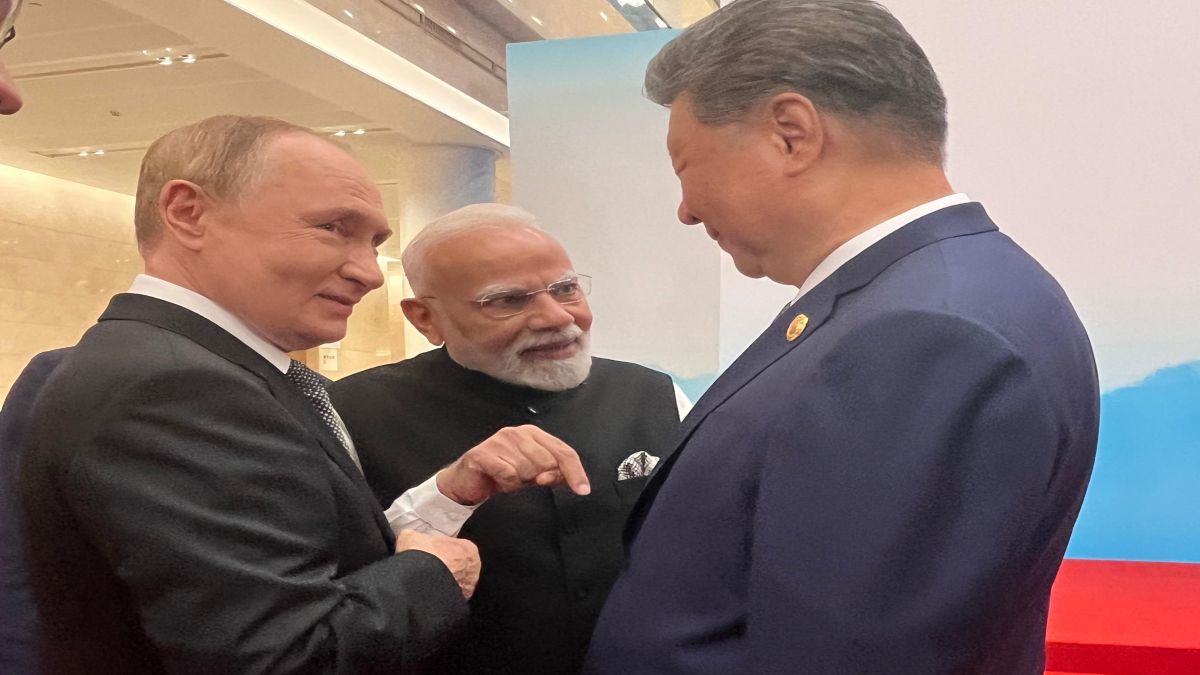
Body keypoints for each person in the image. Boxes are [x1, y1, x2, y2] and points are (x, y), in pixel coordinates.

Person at [586, 1, 1100, 673]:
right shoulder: (927, 292)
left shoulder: (922, 333)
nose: (686, 209)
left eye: (687, 166)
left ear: (792, 132)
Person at [17, 115, 589, 674]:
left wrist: (445, 498)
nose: (369, 273)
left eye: (374, 242)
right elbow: (286, 653)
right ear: (188, 213)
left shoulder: (212, 371)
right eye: (333, 228)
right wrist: (432, 574)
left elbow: (292, 570)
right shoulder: (176, 387)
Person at [329, 203, 684, 674]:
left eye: (566, 289)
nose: (556, 317)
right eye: (506, 301)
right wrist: (445, 496)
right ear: (424, 319)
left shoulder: (655, 394)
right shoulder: (350, 413)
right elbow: (336, 588)